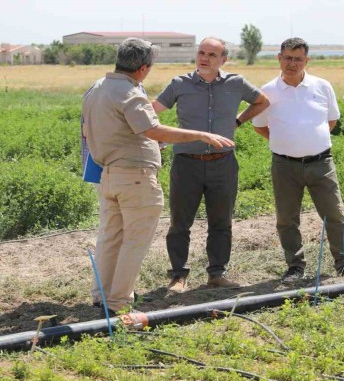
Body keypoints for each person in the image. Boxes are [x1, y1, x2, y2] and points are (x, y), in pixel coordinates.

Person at [83, 37, 234, 315]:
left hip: (109, 176)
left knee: (110, 237)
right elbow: (154, 129)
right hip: (135, 178)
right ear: (143, 68)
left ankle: (101, 295)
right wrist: (202, 135)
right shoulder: (130, 93)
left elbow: (100, 131)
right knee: (134, 241)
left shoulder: (97, 89)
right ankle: (119, 303)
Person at [152, 37, 270, 293]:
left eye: (211, 55)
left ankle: (217, 274)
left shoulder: (236, 83)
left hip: (223, 164)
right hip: (187, 164)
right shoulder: (179, 84)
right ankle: (178, 276)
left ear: (223, 60)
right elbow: (153, 111)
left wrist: (238, 122)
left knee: (221, 221)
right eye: (201, 53)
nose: (204, 58)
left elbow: (262, 101)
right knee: (180, 222)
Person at [252, 37, 344, 283]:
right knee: (286, 219)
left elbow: (331, 122)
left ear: (307, 60)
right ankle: (295, 267)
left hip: (321, 164)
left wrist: (306, 140)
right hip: (284, 166)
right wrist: (287, 142)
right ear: (279, 58)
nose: (292, 63)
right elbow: (260, 127)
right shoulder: (267, 92)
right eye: (287, 58)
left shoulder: (322, 86)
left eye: (298, 59)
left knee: (334, 215)